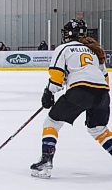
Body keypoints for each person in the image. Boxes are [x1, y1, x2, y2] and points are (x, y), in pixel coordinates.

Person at [31, 19, 111, 178]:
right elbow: (105, 79)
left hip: (81, 91)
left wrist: (49, 92)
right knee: (98, 129)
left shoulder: (64, 48)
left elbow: (57, 76)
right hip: (102, 94)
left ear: (68, 34)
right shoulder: (94, 51)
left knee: (52, 122)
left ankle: (46, 161)